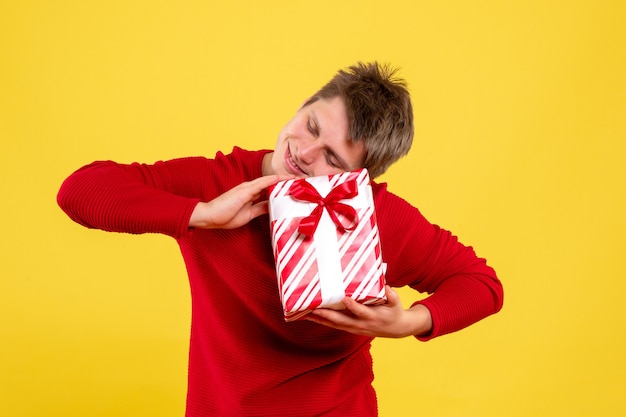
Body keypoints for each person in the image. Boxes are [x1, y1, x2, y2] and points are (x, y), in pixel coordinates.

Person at [57, 62, 503, 417]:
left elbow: (480, 283)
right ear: (302, 105)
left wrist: (408, 323)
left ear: (360, 178)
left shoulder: (376, 217)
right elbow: (79, 190)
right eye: (310, 126)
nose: (303, 154)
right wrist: (202, 215)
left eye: (332, 157)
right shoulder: (219, 182)